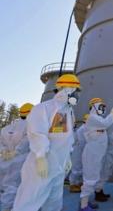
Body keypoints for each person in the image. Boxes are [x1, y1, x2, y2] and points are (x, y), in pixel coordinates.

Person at [13, 74, 81, 211]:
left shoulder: (69, 112)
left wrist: (68, 157)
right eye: (75, 90)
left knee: (54, 201)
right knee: (30, 200)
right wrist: (40, 156)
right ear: (65, 89)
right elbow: (37, 133)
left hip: (58, 166)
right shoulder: (43, 108)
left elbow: (68, 137)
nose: (77, 94)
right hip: (42, 165)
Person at [80, 98, 113, 211]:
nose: (103, 110)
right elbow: (106, 123)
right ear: (94, 107)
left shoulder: (97, 120)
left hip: (97, 154)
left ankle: (86, 202)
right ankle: (83, 206)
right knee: (89, 179)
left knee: (94, 177)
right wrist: (112, 114)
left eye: (104, 108)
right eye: (100, 107)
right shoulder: (93, 118)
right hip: (92, 154)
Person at [0, 103, 33, 211]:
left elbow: (1, 144)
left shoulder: (7, 127)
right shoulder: (31, 127)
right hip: (19, 162)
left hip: (3, 160)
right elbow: (24, 145)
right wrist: (15, 152)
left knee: (3, 186)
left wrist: (4, 151)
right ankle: (7, 208)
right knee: (13, 188)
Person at [69, 114, 89, 193]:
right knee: (76, 167)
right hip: (78, 150)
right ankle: (73, 184)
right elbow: (82, 142)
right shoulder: (82, 129)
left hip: (82, 150)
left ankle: (79, 183)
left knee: (81, 167)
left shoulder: (86, 129)